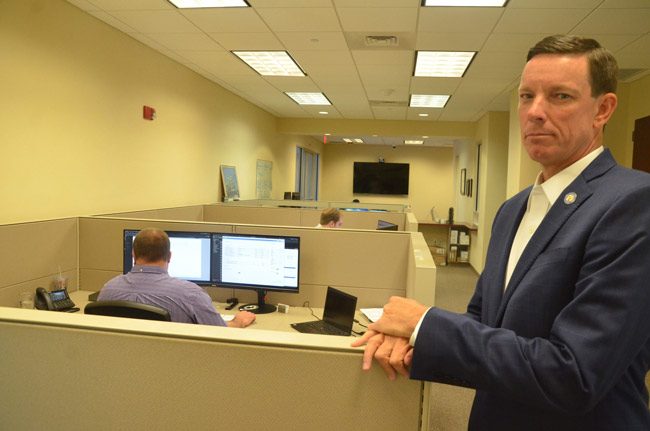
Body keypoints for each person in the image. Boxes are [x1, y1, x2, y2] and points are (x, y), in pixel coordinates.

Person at [352, 35, 650, 430]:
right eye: (527, 96)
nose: (535, 112)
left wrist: (425, 324)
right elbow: (483, 323)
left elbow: (573, 375)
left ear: (603, 109)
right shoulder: (513, 210)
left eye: (560, 96)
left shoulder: (632, 203)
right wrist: (412, 344)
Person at [99, 228, 256, 328]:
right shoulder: (190, 294)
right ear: (169, 256)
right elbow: (218, 333)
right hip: (173, 371)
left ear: (133, 254)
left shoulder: (108, 290)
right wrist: (236, 323)